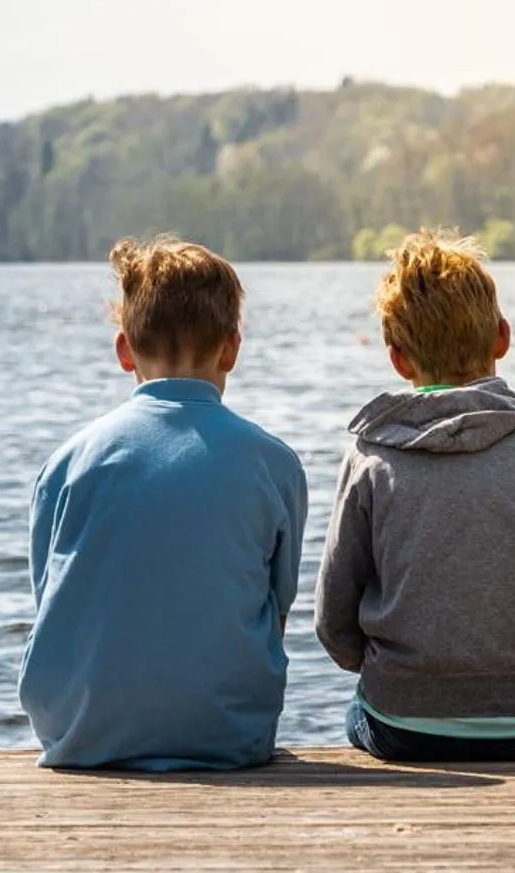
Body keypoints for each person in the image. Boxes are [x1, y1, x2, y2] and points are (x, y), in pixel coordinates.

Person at [315, 228, 515, 762]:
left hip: (404, 726)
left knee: (359, 715)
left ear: (398, 359)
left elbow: (333, 624)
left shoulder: (371, 460)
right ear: (502, 337)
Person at [20, 236, 308, 770]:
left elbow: (51, 598)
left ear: (124, 349)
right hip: (228, 735)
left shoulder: (67, 462)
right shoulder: (273, 463)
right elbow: (278, 607)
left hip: (80, 735)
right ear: (232, 347)